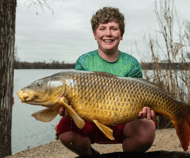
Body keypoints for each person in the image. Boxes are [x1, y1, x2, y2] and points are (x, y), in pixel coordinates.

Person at [56, 7, 156, 156]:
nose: (108, 33)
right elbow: (75, 100)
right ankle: (90, 155)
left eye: (113, 28)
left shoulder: (132, 63)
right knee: (65, 128)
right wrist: (67, 108)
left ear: (121, 35)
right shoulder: (84, 61)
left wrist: (146, 110)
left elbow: (141, 99)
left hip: (124, 120)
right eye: (102, 28)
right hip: (91, 119)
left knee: (147, 128)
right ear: (95, 34)